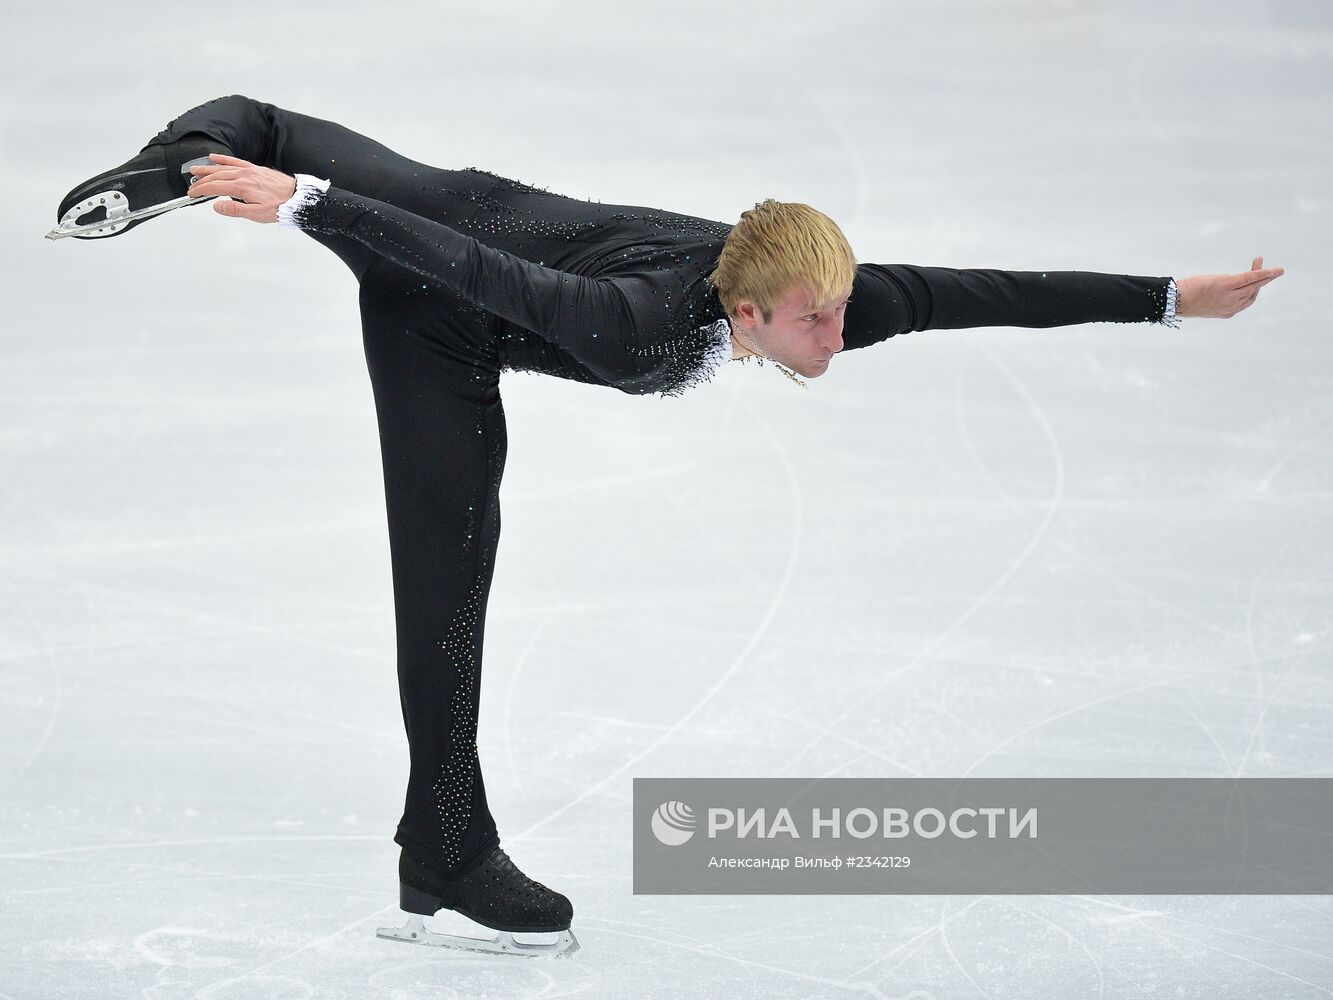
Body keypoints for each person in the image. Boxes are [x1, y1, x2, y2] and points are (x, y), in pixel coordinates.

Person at [49, 95, 1284, 959]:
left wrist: (1174, 300)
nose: (837, 335)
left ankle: (436, 846)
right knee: (445, 601)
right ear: (745, 315)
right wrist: (312, 203)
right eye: (812, 322)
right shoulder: (638, 322)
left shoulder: (817, 297)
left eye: (842, 310)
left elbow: (983, 292)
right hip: (440, 303)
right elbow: (507, 289)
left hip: (470, 225)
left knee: (282, 147)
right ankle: (449, 847)